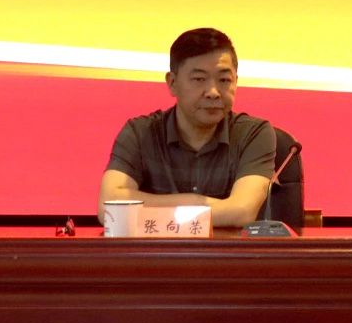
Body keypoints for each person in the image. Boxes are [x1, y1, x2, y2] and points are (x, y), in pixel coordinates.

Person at [98, 28, 276, 228]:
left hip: (225, 249)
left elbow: (241, 212)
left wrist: (151, 208)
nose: (213, 92)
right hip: (159, 249)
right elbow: (109, 208)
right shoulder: (140, 133)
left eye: (224, 80)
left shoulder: (254, 134)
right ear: (172, 83)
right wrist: (196, 202)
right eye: (199, 79)